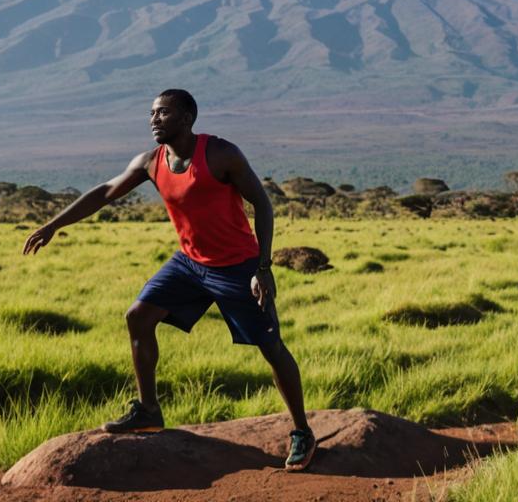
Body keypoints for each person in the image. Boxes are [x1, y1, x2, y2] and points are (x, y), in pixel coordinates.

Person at [22, 89, 316, 471]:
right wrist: (54, 224)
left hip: (237, 266)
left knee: (271, 345)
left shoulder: (221, 154)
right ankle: (148, 409)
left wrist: (263, 268)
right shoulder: (150, 162)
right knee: (138, 316)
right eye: (151, 113)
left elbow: (262, 203)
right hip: (190, 264)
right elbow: (105, 192)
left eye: (163, 113)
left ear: (187, 117)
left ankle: (302, 431)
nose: (153, 119)